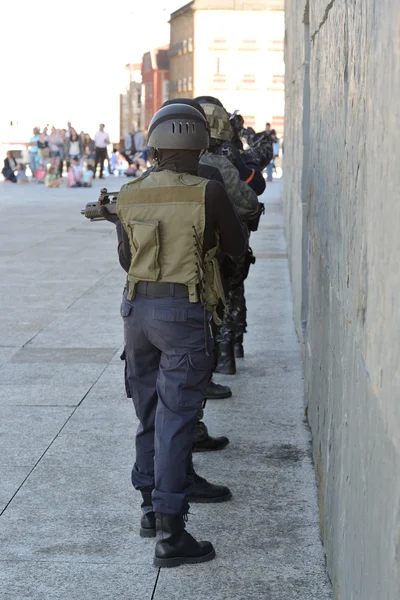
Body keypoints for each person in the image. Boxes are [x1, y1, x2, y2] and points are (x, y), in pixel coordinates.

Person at [103, 103, 246, 568]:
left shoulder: (131, 192)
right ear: (201, 143)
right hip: (182, 315)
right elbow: (236, 249)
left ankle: (148, 507)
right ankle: (171, 532)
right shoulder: (209, 191)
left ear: (155, 143)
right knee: (177, 418)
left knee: (148, 413)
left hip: (137, 311)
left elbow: (127, 260)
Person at [195, 95, 262, 373]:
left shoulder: (163, 165)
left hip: (183, 256)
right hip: (223, 249)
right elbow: (250, 201)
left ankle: (214, 360)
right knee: (229, 293)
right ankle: (226, 355)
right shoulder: (221, 163)